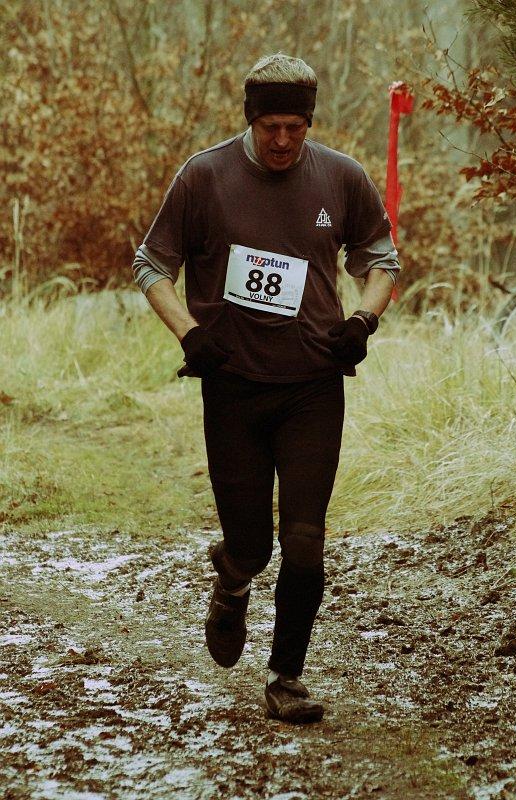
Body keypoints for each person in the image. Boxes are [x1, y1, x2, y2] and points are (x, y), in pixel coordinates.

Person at [132, 53, 400, 724]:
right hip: (233, 387)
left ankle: (287, 678)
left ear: (309, 123)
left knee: (305, 540)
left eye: (294, 128)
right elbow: (151, 263)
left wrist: (363, 319)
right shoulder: (205, 176)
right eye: (269, 127)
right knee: (252, 545)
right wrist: (189, 334)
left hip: (312, 386)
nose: (282, 141)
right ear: (250, 120)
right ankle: (232, 580)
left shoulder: (341, 176)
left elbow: (382, 260)